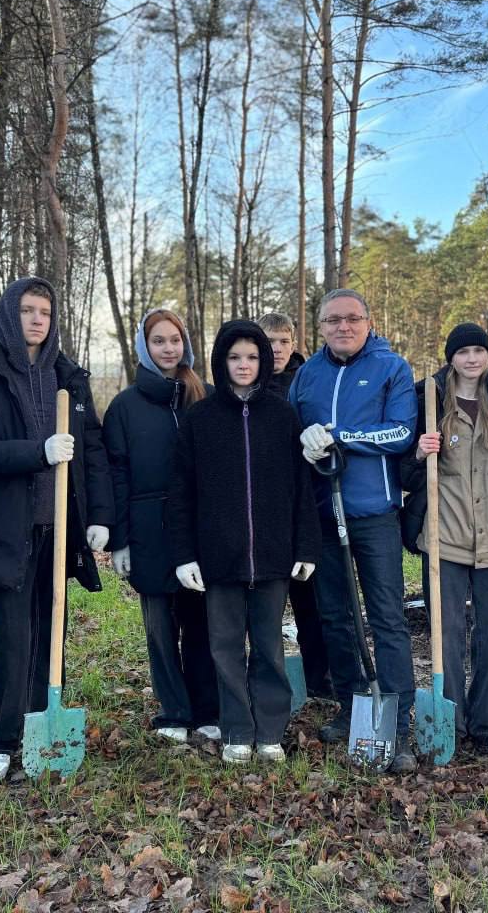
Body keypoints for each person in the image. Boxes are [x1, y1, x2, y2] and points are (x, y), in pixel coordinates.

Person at [0, 277, 114, 783]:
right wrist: (37, 452)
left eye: (45, 310)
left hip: (60, 529)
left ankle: (42, 725)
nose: (37, 319)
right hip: (6, 527)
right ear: (8, 314)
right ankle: (1, 738)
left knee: (52, 633)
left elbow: (91, 451)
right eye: (27, 310)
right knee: (13, 636)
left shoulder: (69, 376)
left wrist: (100, 516)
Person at [167, 320, 321, 763]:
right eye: (235, 357)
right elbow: (181, 492)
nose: (244, 365)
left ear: (265, 362)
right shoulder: (201, 419)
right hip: (220, 558)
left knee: (270, 646)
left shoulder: (282, 415)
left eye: (252, 357)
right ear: (221, 361)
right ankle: (237, 729)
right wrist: (184, 555)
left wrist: (306, 546)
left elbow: (300, 486)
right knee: (225, 647)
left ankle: (270, 729)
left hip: (273, 556)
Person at [289, 288, 418, 773]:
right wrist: (303, 442)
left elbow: (400, 432)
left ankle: (399, 719)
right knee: (336, 616)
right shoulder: (308, 375)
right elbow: (291, 428)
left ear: (368, 322)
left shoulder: (391, 368)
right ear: (319, 326)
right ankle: (352, 704)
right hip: (322, 514)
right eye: (332, 320)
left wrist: (343, 438)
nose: (343, 327)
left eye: (352, 319)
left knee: (387, 616)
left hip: (374, 512)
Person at [400, 323, 488, 756]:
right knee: (447, 630)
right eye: (463, 351)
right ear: (450, 357)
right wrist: (418, 453)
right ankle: (447, 717)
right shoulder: (428, 399)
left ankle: (486, 721)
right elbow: (403, 472)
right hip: (445, 534)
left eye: (479, 350)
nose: (472, 358)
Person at [102, 309, 219, 744]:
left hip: (198, 525)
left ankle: (208, 707)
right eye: (158, 341)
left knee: (201, 621)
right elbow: (116, 472)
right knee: (160, 625)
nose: (168, 348)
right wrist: (120, 539)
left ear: (185, 344)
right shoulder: (125, 406)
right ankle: (174, 710)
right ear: (144, 348)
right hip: (147, 525)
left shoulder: (204, 395)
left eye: (174, 340)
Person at [257, 311, 333, 701]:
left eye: (284, 341)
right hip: (263, 509)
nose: (278, 349)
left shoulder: (306, 382)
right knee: (267, 605)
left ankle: (320, 678)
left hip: (306, 503)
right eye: (269, 342)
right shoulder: (248, 384)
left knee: (312, 603)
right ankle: (267, 682)